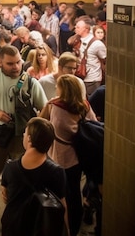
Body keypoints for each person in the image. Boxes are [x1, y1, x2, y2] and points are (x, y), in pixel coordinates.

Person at [0, 45, 47, 229]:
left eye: (18, 63)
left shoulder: (30, 82)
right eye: (10, 64)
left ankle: (18, 211)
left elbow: (45, 107)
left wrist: (33, 124)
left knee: (22, 177)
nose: (15, 67)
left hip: (21, 137)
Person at [40, 74, 98, 236]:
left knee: (55, 192)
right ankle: (74, 227)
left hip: (56, 156)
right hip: (77, 156)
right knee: (73, 193)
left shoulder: (53, 105)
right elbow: (92, 125)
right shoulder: (84, 105)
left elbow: (40, 122)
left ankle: (57, 225)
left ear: (62, 89)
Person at [0, 117, 68, 236]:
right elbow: (62, 206)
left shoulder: (10, 168)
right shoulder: (56, 172)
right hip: (42, 227)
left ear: (30, 139)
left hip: (13, 226)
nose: (23, 135)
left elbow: (6, 197)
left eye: (25, 133)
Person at [74, 19, 106, 96]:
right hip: (81, 77)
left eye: (78, 27)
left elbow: (105, 59)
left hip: (93, 79)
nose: (75, 28)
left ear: (86, 29)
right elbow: (69, 41)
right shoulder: (79, 40)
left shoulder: (97, 44)